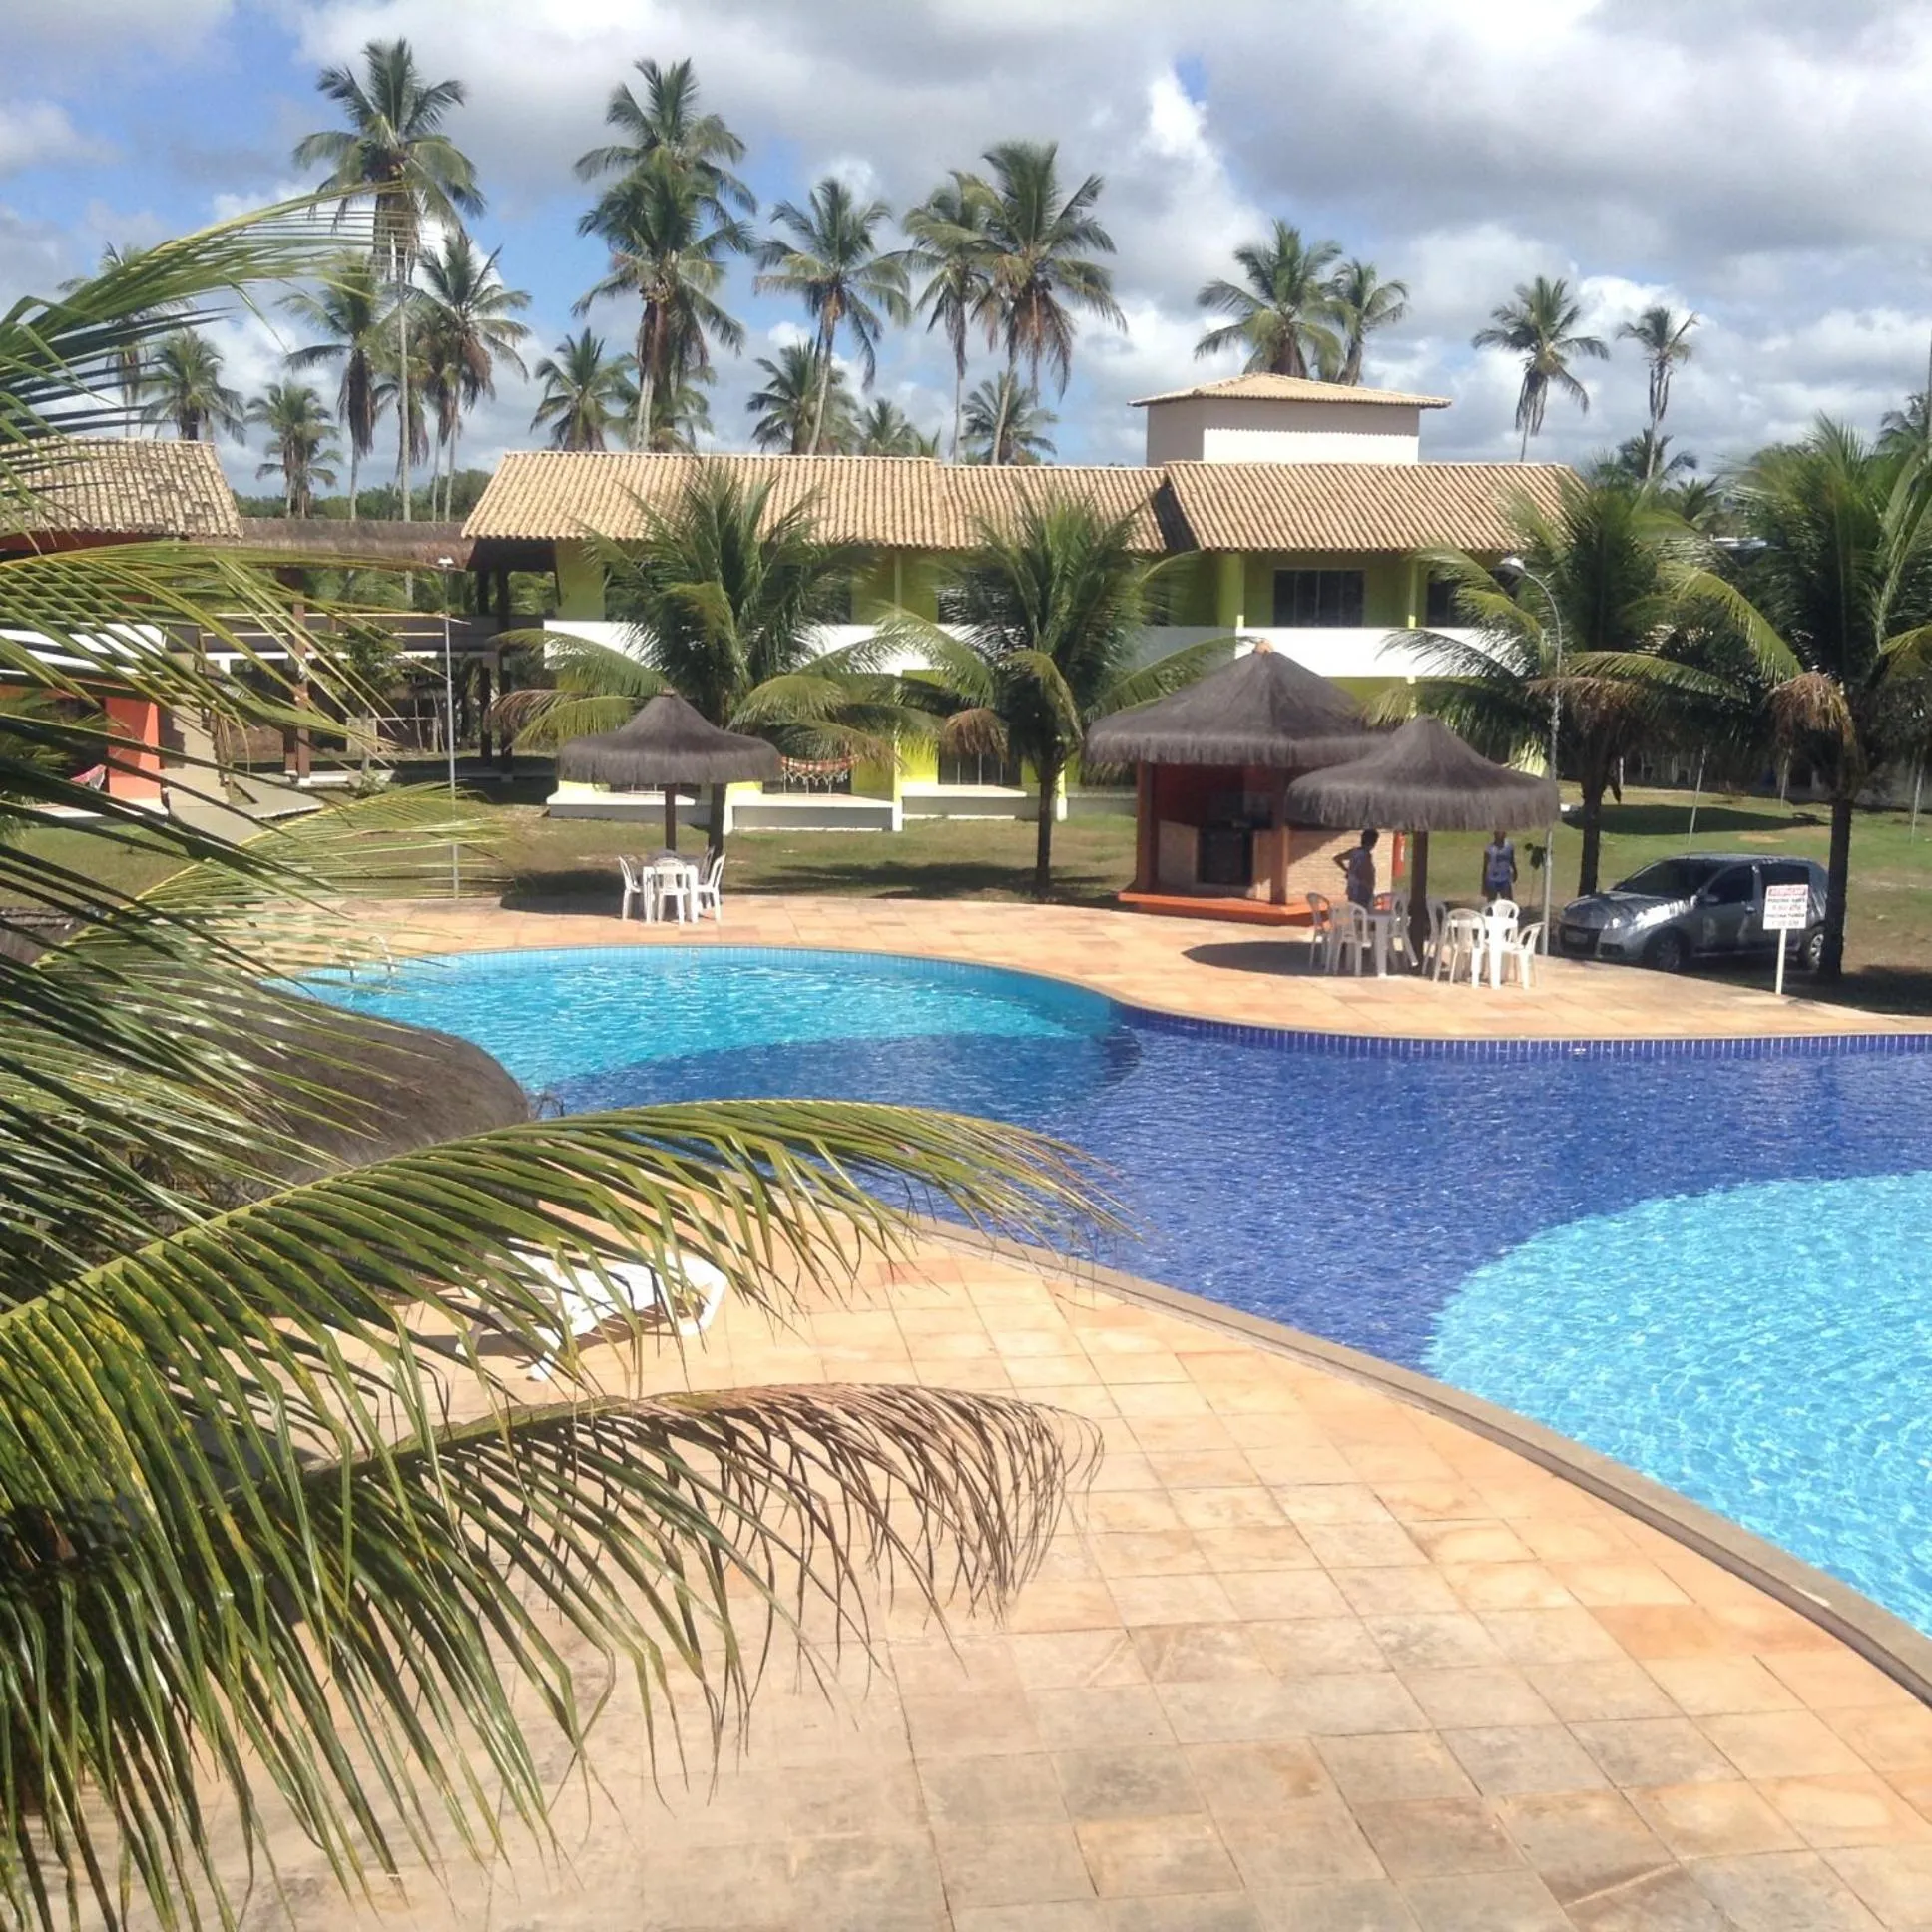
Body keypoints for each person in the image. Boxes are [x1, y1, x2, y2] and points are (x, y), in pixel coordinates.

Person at [1334, 827, 1378, 908]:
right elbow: (1366, 877)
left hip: (1352, 890)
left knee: (1355, 914)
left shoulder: (1354, 852)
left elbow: (1337, 858)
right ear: (1373, 843)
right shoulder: (1366, 856)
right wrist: (1372, 895)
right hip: (1362, 892)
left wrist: (1347, 871)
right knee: (1365, 915)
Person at [1481, 830, 1518, 903]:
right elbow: (1485, 867)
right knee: (1491, 904)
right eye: (1498, 836)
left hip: (1505, 879)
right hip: (1492, 880)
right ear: (1494, 836)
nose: (1501, 838)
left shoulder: (1509, 847)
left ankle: (1508, 914)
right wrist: (1484, 884)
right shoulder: (1489, 849)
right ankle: (1490, 914)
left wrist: (1515, 871)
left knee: (1508, 903)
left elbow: (1511, 860)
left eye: (1503, 836)